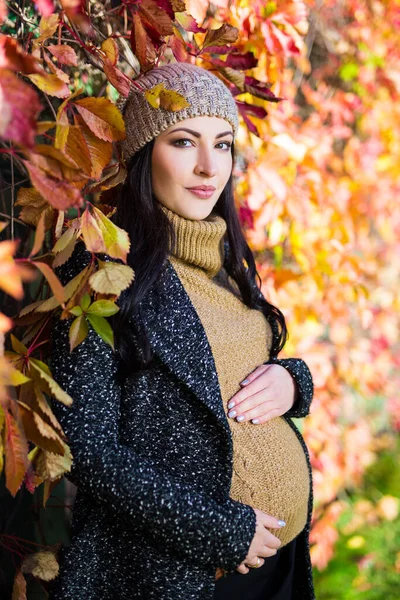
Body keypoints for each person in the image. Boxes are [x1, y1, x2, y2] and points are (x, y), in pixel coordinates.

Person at [49, 62, 315, 600]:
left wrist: (294, 382)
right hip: (187, 573)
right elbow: (88, 448)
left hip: (279, 564)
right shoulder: (105, 271)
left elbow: (238, 367)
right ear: (143, 157)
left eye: (222, 145)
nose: (206, 167)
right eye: (183, 142)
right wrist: (220, 531)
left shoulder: (225, 256)